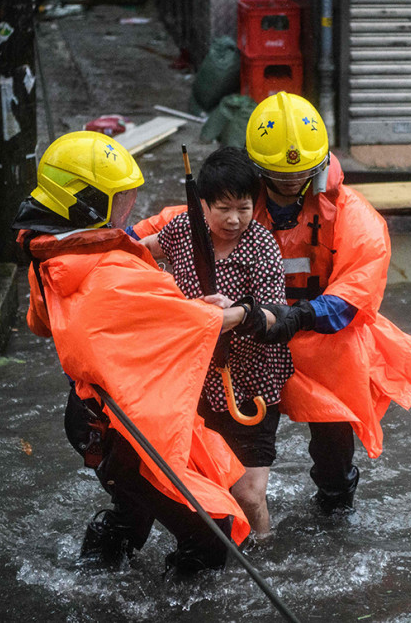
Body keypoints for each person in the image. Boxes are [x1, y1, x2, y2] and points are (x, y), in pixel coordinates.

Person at [134, 93, 411, 514]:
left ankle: (335, 508)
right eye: (278, 176)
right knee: (222, 449)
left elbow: (354, 294)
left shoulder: (352, 215)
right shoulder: (235, 205)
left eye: (300, 175)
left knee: (333, 450)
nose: (290, 184)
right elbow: (157, 232)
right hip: (247, 345)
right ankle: (232, 510)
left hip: (324, 344)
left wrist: (294, 316)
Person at [11, 130, 254, 574]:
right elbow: (175, 320)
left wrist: (184, 311)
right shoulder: (107, 270)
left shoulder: (51, 258)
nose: (128, 213)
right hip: (121, 427)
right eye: (119, 202)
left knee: (133, 513)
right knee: (209, 530)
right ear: (86, 204)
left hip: (91, 414)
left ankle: (92, 583)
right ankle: (178, 601)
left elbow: (42, 324)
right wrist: (238, 313)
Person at [139, 146, 293, 535]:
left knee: (248, 494)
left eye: (244, 208)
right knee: (205, 487)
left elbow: (275, 313)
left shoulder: (262, 246)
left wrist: (236, 312)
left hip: (252, 384)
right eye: (223, 208)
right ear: (203, 205)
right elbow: (143, 250)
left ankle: (263, 548)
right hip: (195, 381)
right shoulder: (182, 229)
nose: (234, 219)